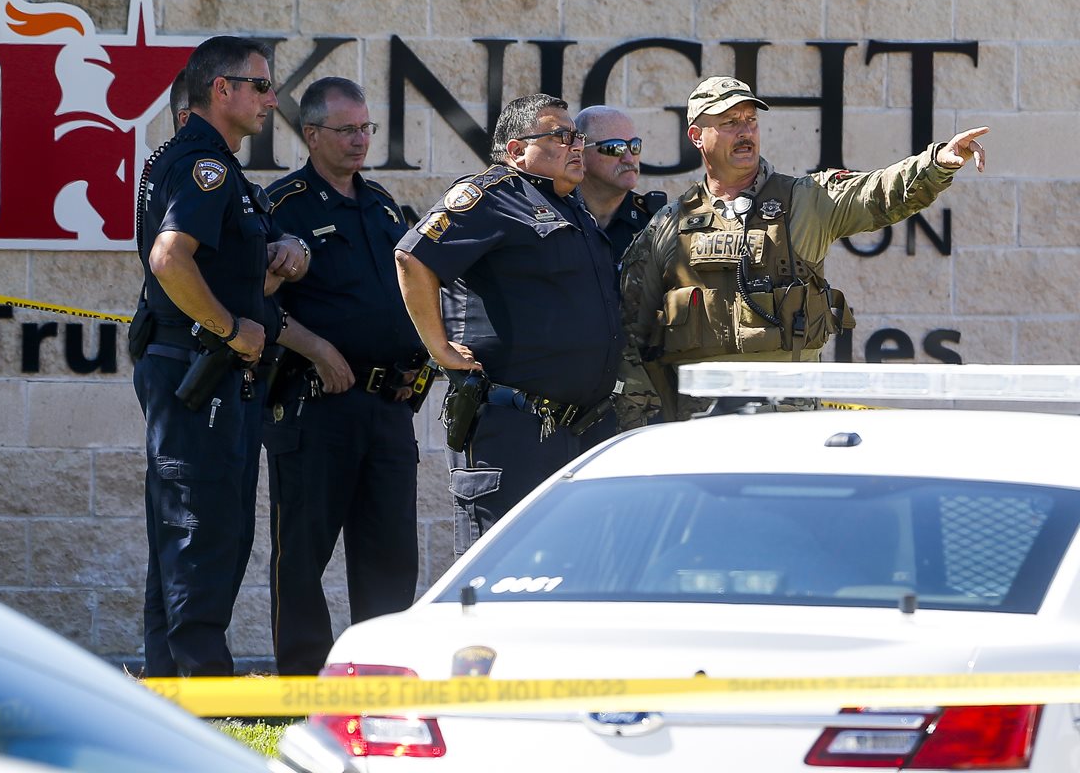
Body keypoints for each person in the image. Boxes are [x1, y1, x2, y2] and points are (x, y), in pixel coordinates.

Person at [617, 76, 988, 427]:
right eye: (730, 122)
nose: (745, 130)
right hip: (699, 422)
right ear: (697, 136)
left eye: (750, 120)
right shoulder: (670, 223)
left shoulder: (805, 200)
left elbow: (876, 193)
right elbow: (632, 334)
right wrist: (636, 429)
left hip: (787, 418)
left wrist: (936, 163)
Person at [133, 35, 298, 677]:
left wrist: (280, 263)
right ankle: (201, 688)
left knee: (191, 528)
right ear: (220, 89)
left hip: (204, 370)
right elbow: (170, 259)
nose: (270, 99)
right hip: (197, 369)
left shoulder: (209, 165)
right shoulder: (203, 163)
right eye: (259, 86)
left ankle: (170, 680)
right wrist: (232, 330)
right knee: (201, 529)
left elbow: (217, 268)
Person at [395, 94, 623, 555]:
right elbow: (412, 257)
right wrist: (439, 350)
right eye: (560, 136)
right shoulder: (492, 195)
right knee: (502, 578)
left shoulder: (572, 207)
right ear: (518, 150)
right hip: (514, 431)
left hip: (581, 431)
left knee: (575, 578)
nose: (575, 145)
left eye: (577, 136)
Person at [263, 77, 424, 675]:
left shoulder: (382, 204)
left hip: (387, 408)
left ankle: (377, 679)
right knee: (301, 555)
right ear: (311, 135)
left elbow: (408, 292)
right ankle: (303, 685)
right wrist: (317, 350)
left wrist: (422, 360)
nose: (360, 141)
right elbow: (254, 303)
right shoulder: (282, 206)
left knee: (389, 557)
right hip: (316, 407)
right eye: (346, 130)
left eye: (366, 128)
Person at [574, 105, 667, 264]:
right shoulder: (556, 217)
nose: (629, 159)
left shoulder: (655, 222)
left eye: (634, 146)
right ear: (580, 157)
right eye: (615, 148)